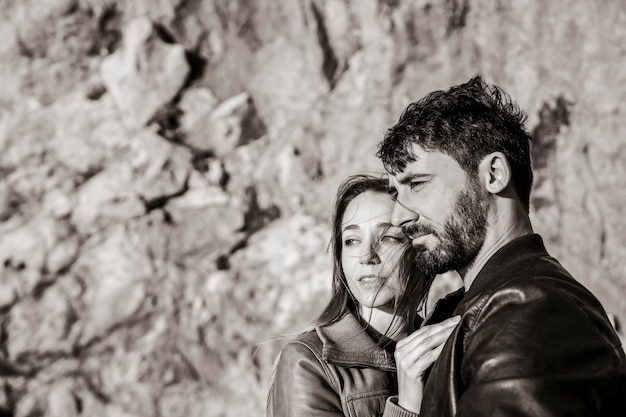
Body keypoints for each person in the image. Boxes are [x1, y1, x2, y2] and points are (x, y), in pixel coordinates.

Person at [376, 75, 626, 416]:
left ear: (493, 174)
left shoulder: (530, 313)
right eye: (395, 193)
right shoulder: (485, 308)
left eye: (417, 183)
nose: (397, 217)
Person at [266, 174, 462, 417]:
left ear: (418, 249)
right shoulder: (308, 362)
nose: (366, 256)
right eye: (351, 240)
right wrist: (408, 406)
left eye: (388, 238)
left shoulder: (445, 345)